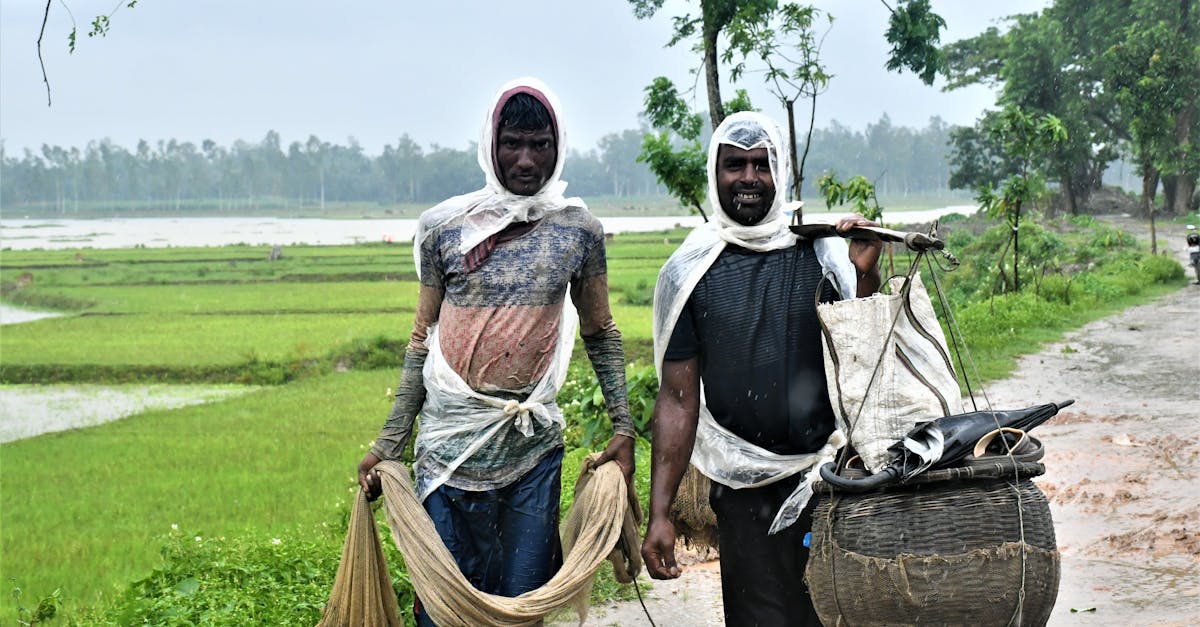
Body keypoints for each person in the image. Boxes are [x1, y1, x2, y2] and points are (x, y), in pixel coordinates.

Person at [356, 77, 636, 627]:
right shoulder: (444, 230)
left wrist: (624, 428)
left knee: (522, 607)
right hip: (448, 453)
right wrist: (389, 443)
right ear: (491, 145)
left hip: (531, 455)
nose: (526, 160)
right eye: (512, 144)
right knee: (445, 609)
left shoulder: (578, 231)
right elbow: (422, 339)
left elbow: (601, 331)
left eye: (540, 145)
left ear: (558, 148)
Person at [640, 111, 883, 625]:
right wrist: (660, 512)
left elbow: (863, 357)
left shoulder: (821, 254)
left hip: (829, 482)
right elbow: (679, 399)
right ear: (715, 172)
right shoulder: (691, 272)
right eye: (735, 165)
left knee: (831, 616)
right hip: (743, 493)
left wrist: (864, 274)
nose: (749, 178)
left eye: (762, 164)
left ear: (782, 171)